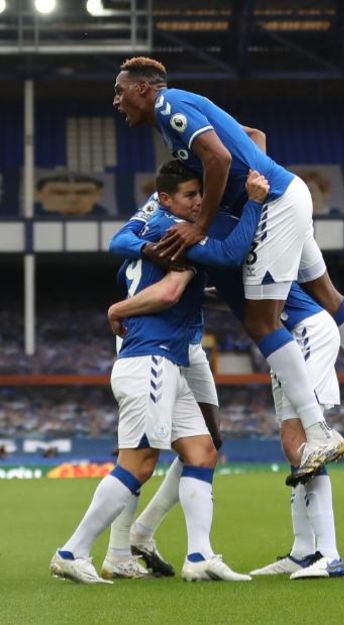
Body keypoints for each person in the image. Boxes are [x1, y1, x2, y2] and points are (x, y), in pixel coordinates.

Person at [113, 56, 344, 483]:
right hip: (287, 196)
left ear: (143, 88)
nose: (116, 100)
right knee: (326, 294)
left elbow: (217, 159)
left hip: (276, 203)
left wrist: (205, 222)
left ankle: (320, 431)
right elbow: (253, 136)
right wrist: (254, 178)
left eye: (120, 91)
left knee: (260, 320)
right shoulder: (179, 111)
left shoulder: (167, 107)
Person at [109, 162, 344, 578]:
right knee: (155, 449)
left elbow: (223, 257)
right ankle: (126, 544)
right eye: (192, 193)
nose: (200, 199)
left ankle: (323, 554)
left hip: (293, 334)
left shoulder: (243, 212)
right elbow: (124, 242)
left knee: (223, 442)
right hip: (171, 341)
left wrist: (121, 304)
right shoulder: (173, 214)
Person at [49, 178, 259, 584]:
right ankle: (72, 550)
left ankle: (199, 555)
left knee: (201, 452)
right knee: (140, 464)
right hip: (151, 360)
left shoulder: (154, 226)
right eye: (190, 195)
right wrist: (252, 204)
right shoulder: (176, 233)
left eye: (202, 193)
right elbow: (178, 287)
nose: (199, 201)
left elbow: (133, 252)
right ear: (167, 199)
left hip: (170, 361)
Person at [34, 172, 111, 216]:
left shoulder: (104, 218)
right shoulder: (32, 214)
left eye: (83, 192)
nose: (72, 199)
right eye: (60, 193)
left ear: (99, 194)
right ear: (39, 194)